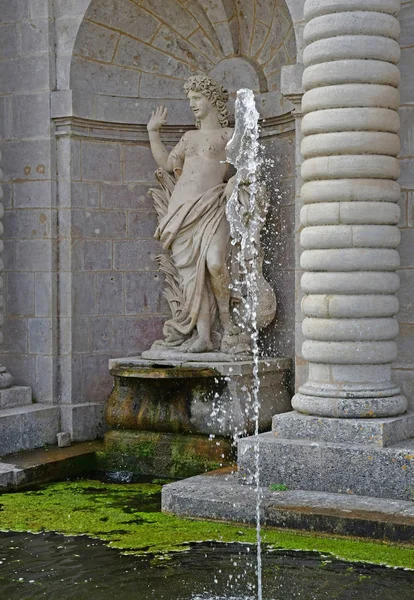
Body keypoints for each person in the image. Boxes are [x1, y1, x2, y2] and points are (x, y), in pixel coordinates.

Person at [146, 75, 236, 353]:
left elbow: (247, 168)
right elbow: (167, 162)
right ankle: (204, 336)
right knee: (190, 279)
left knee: (216, 263)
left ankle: (229, 325)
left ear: (212, 100)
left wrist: (233, 182)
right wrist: (153, 133)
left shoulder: (230, 135)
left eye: (197, 98)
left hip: (211, 206)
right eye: (190, 99)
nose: (192, 104)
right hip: (181, 212)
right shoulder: (188, 137)